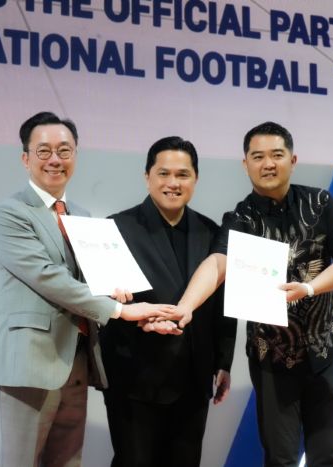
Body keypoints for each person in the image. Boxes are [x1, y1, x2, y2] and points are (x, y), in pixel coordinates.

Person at [0, 111, 174, 467]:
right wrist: (120, 310)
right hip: (27, 365)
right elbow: (47, 277)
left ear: (76, 156)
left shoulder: (82, 216)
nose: (55, 159)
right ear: (25, 158)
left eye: (64, 150)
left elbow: (90, 285)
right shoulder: (10, 212)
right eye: (44, 151)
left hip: (77, 361)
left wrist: (118, 294)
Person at [165, 122, 333, 466]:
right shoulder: (241, 217)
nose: (268, 163)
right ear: (246, 164)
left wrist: (309, 288)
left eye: (276, 155)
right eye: (258, 157)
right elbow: (218, 263)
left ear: (292, 160)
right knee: (279, 458)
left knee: (327, 454)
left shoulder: (319, 202)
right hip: (271, 355)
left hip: (324, 348)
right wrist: (186, 306)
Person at [99, 136, 237, 467]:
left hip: (193, 377)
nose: (173, 183)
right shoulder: (114, 229)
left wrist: (224, 361)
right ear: (147, 176)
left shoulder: (210, 232)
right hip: (133, 377)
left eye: (182, 174)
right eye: (163, 173)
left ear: (196, 179)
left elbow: (222, 305)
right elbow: (100, 303)